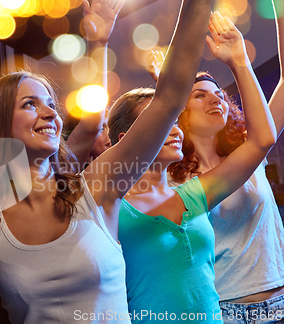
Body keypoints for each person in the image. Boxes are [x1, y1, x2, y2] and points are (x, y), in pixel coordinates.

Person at [0, 0, 213, 322]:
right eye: (29, 105)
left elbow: (169, 97)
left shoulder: (95, 188)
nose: (50, 113)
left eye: (50, 104)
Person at [111, 12, 277, 323]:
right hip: (228, 308)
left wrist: (240, 59)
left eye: (220, 95)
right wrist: (167, 89)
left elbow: (262, 138)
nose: (215, 100)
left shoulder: (208, 183)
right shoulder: (128, 199)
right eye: (199, 96)